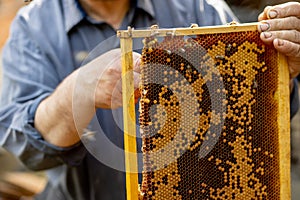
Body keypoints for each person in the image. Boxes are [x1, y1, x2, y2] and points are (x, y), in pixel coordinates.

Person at [0, 0, 299, 199]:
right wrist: (78, 90)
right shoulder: (32, 27)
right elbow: (25, 147)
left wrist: (278, 70)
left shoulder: (197, 6)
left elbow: (251, 118)